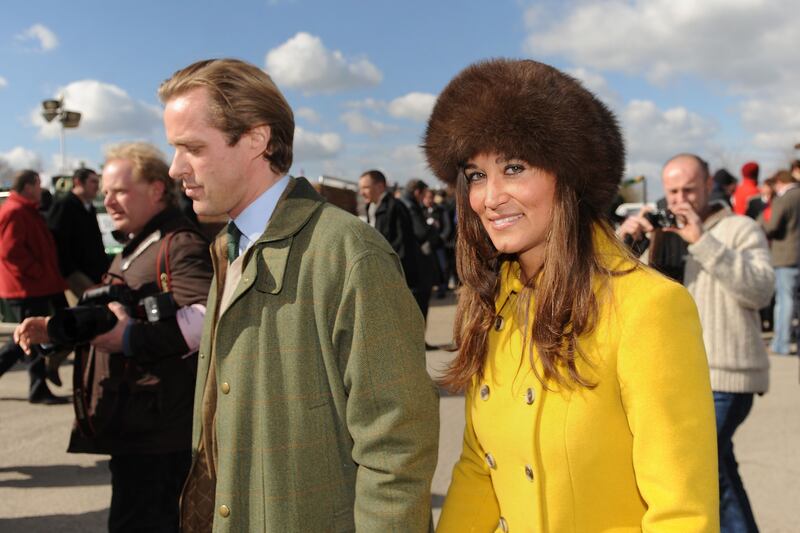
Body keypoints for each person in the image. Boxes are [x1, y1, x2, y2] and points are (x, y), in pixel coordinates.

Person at [425, 59, 718, 532]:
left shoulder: (648, 308)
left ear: (570, 175)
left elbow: (683, 513)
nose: (489, 197)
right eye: (475, 174)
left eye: (513, 168)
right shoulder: (495, 305)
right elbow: (480, 469)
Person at [159, 58, 438, 532]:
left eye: (192, 148)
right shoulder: (227, 248)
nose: (174, 168)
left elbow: (396, 451)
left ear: (256, 139)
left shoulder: (349, 253)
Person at [15, 142, 214, 532]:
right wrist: (53, 329)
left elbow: (203, 319)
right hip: (136, 425)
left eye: (120, 190)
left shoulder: (179, 243)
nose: (109, 201)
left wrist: (130, 340)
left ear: (157, 190)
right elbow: (115, 313)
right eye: (105, 192)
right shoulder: (137, 244)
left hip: (158, 432)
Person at [619, 153, 773, 533]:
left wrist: (702, 241)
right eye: (672, 191)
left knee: (699, 470)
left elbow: (760, 290)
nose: (680, 200)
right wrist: (627, 241)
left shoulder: (739, 228)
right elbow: (617, 286)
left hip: (724, 377)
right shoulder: (660, 230)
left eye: (689, 189)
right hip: (678, 375)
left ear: (708, 186)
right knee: (719, 471)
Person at [0, 169, 68, 404]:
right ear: (29, 186)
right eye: (38, 185)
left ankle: (39, 388)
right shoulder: (16, 211)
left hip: (32, 286)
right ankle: (38, 389)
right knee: (28, 338)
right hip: (25, 287)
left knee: (26, 338)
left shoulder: (24, 210)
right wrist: (37, 271)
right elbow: (9, 251)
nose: (41, 190)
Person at [358, 169, 423, 303]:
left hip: (397, 279)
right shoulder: (371, 207)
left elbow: (402, 246)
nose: (361, 192)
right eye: (360, 188)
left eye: (365, 187)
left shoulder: (396, 207)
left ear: (380, 186)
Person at [47, 167, 110, 301]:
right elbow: (56, 241)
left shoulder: (89, 207)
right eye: (93, 181)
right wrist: (70, 273)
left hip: (96, 273)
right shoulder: (64, 205)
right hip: (76, 276)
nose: (97, 186)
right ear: (78, 182)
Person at [759, 169, 800, 355]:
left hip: (785, 255)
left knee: (785, 301)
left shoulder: (785, 199)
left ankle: (781, 343)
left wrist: (761, 222)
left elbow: (773, 226)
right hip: (795, 254)